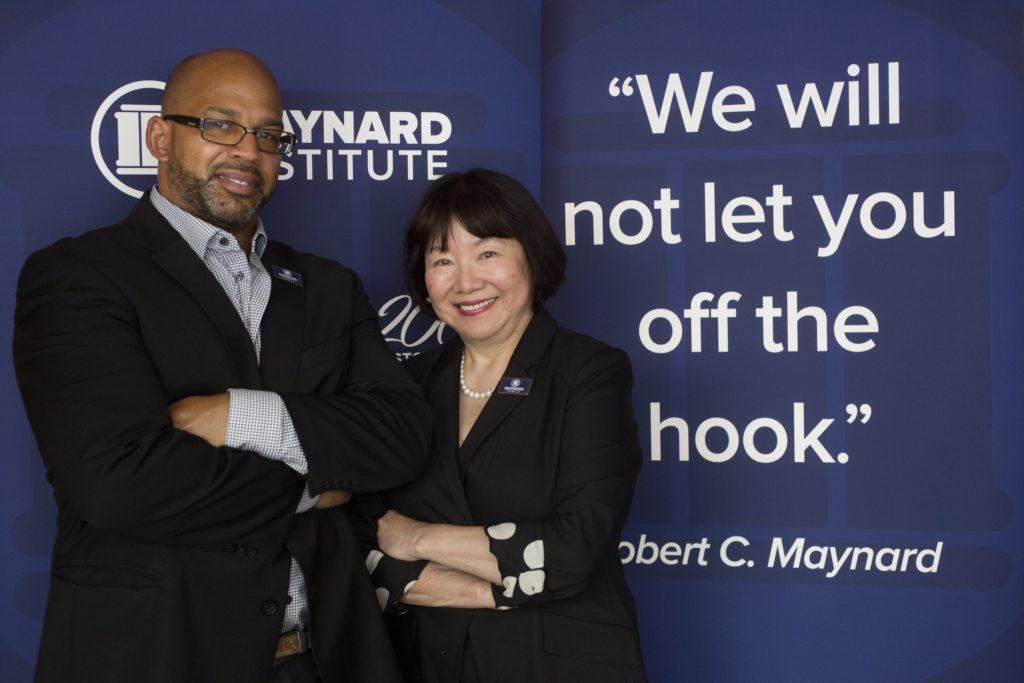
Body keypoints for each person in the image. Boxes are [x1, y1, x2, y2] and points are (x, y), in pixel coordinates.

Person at [13, 49, 431, 683]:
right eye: (219, 124)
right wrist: (310, 485)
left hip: (328, 658)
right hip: (159, 656)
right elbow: (119, 481)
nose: (247, 150)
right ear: (160, 137)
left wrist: (239, 416)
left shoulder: (327, 286)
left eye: (268, 135)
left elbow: (402, 434)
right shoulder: (79, 276)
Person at [363, 169, 647, 681]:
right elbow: (361, 540)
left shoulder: (589, 373)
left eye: (487, 253)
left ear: (532, 256)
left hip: (558, 666)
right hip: (427, 664)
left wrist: (416, 539)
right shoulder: (407, 383)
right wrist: (492, 589)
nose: (465, 281)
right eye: (442, 260)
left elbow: (574, 549)